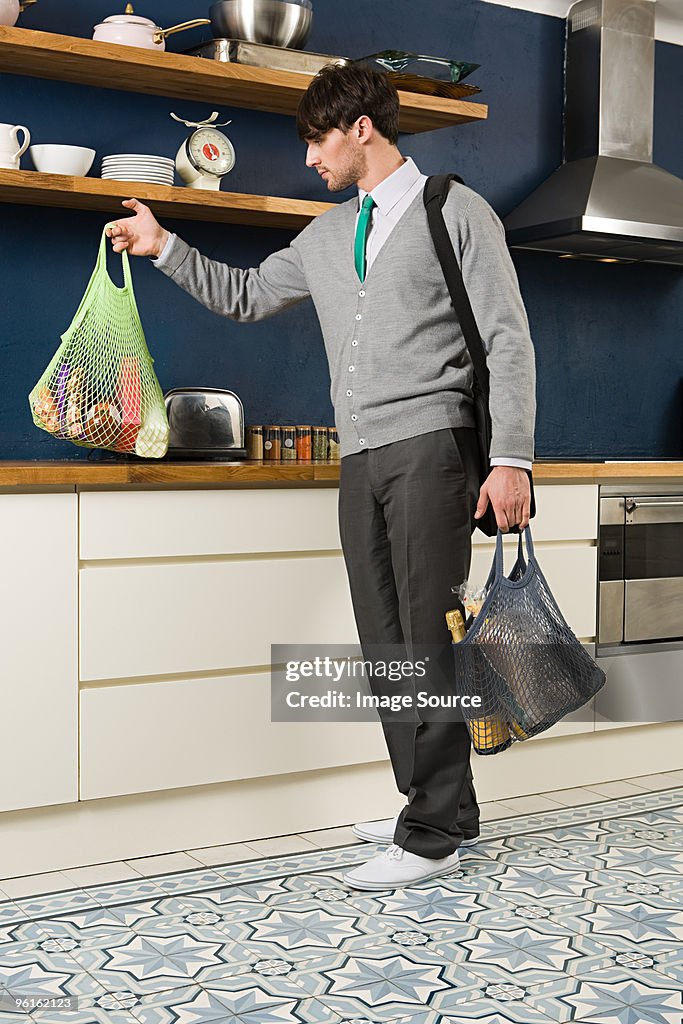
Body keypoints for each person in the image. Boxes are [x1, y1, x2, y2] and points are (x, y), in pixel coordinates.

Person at [106, 63, 536, 891]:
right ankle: (440, 805)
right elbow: (244, 295)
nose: (309, 159)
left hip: (433, 447)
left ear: (361, 127)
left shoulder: (455, 211)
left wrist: (510, 457)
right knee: (387, 643)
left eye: (315, 140)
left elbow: (507, 339)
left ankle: (429, 833)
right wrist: (164, 247)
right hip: (360, 454)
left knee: (424, 635)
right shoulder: (324, 237)